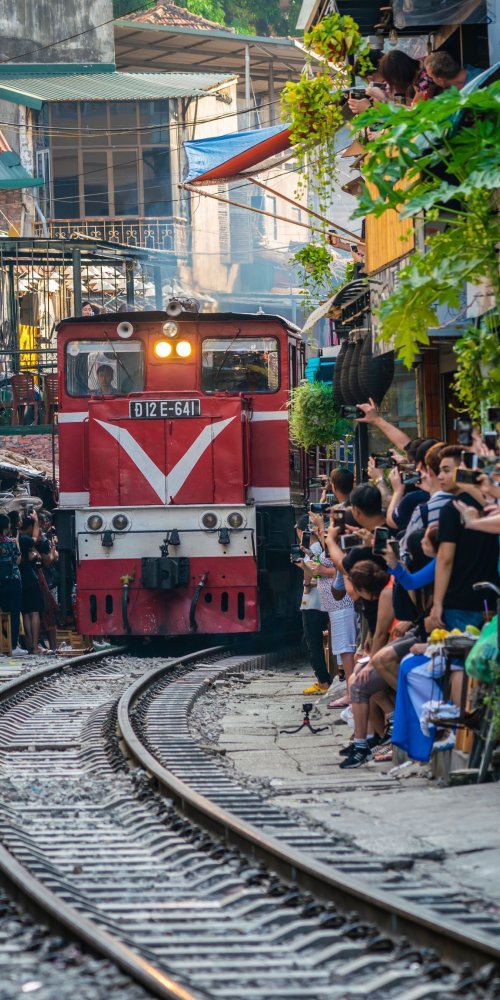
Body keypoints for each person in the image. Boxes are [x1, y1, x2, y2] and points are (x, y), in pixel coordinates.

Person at [427, 447, 500, 632]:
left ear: (463, 470)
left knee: (463, 658)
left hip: (460, 602)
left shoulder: (452, 509)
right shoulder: (492, 506)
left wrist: (437, 603)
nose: (440, 476)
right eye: (439, 471)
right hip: (491, 597)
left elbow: (445, 559)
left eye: (446, 470)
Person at [294, 515, 330, 695]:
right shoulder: (322, 547)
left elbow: (311, 575)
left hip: (312, 602)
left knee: (313, 642)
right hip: (324, 601)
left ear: (301, 531)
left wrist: (306, 584)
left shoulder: (312, 549)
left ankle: (323, 681)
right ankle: (327, 678)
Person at [0, 512, 23, 656]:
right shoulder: (11, 542)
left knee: (3, 613)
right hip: (13, 580)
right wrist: (17, 541)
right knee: (14, 613)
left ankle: (3, 646)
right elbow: (18, 560)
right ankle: (13, 646)